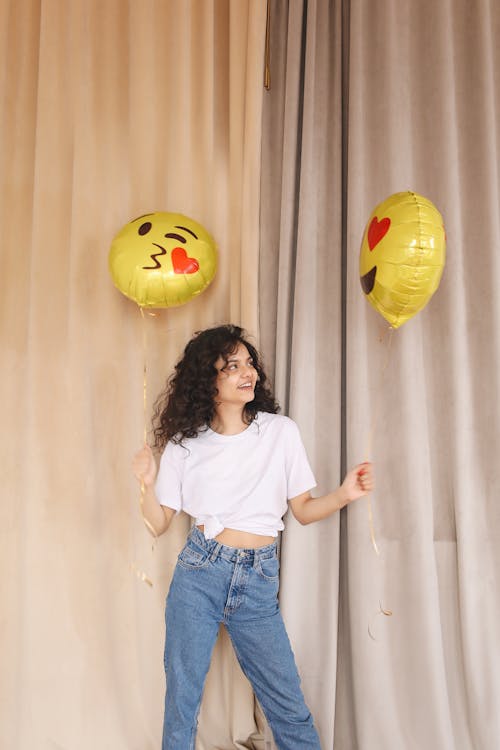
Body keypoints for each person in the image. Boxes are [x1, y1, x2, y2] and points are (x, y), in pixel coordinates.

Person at [133, 324, 374, 750]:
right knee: (182, 700)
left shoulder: (279, 432)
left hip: (257, 580)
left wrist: (344, 494)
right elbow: (160, 522)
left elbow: (302, 509)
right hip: (199, 573)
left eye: (249, 364)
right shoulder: (185, 445)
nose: (249, 373)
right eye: (232, 366)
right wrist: (146, 486)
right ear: (208, 381)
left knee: (287, 702)